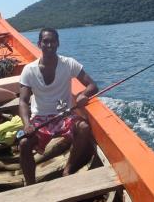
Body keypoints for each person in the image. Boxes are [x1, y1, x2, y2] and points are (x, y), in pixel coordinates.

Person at [19, 27, 98, 185]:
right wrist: (27, 124)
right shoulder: (29, 70)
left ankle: (68, 169)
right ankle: (30, 184)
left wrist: (84, 95)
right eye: (45, 41)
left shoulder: (69, 63)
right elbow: (23, 101)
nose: (49, 45)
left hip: (65, 115)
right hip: (41, 118)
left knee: (83, 128)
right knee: (24, 144)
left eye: (53, 41)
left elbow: (92, 86)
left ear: (58, 43)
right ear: (39, 44)